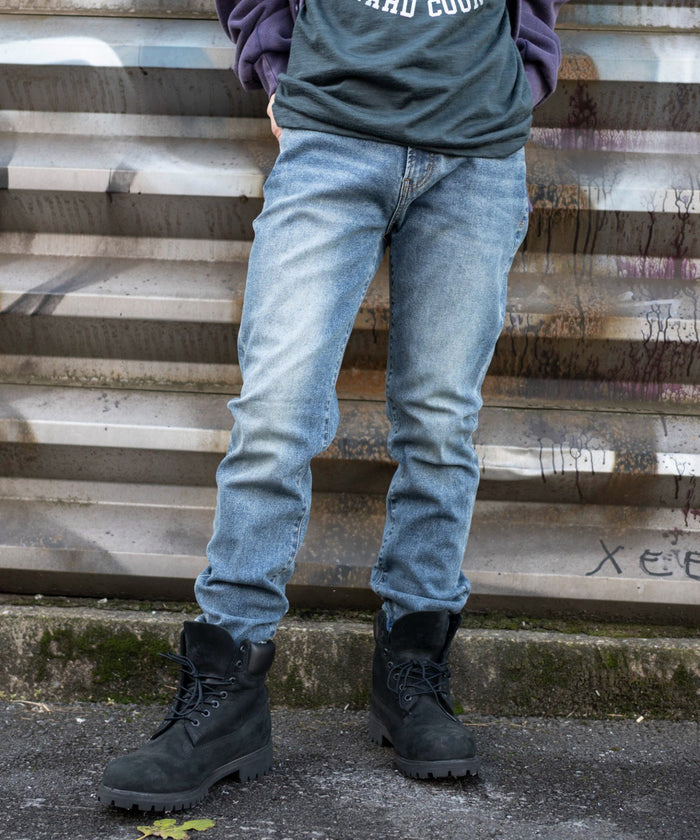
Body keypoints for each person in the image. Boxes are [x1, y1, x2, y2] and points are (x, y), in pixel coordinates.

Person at [99, 0, 567, 811]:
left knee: (440, 421)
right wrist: (277, 67)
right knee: (274, 413)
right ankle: (227, 690)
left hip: (477, 153)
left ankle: (411, 672)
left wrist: (522, 72)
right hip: (332, 136)